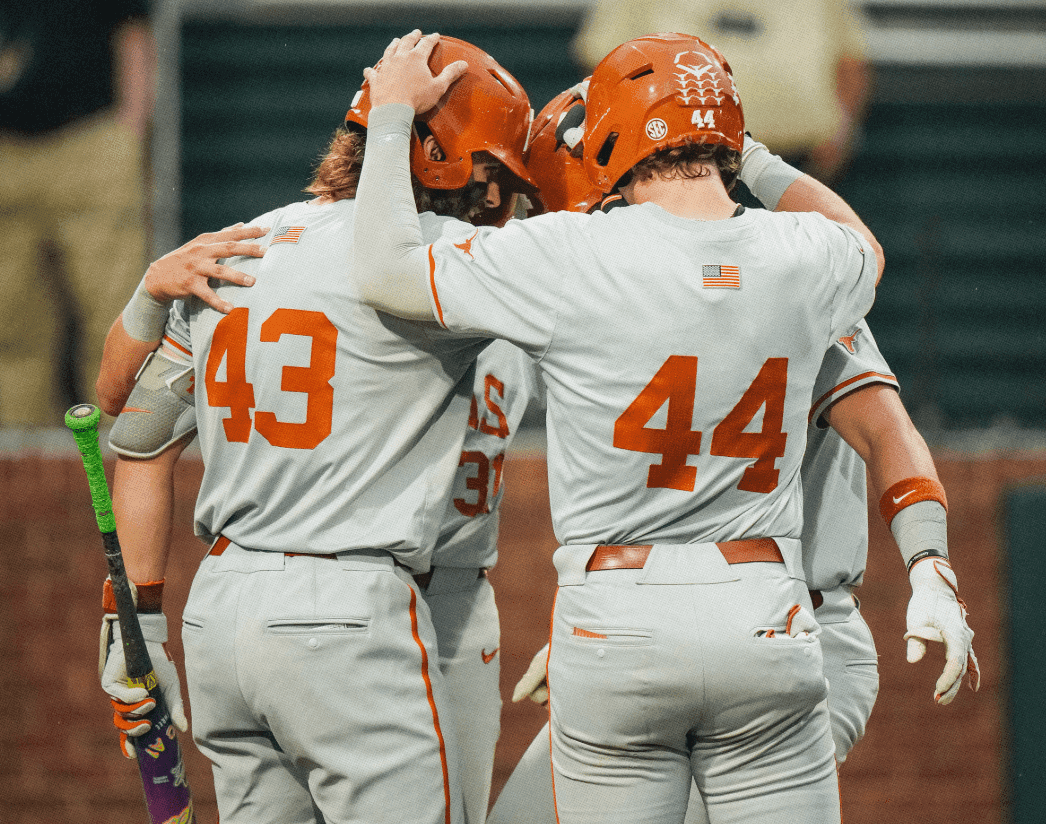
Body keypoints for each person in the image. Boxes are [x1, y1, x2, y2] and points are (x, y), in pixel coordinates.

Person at [350, 30, 974, 824]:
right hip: (765, 610)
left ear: (606, 148)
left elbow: (387, 269)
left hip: (638, 606)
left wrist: (396, 114)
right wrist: (749, 155)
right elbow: (863, 248)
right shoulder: (801, 257)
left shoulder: (571, 251)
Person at [94, 36, 538, 824]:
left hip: (222, 611)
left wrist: (134, 619)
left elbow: (136, 434)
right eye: (493, 175)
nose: (498, 201)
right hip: (348, 605)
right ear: (439, 157)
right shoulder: (443, 259)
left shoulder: (238, 244)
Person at [0, 0, 155, 425]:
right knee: (8, 328)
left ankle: (123, 465)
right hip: (6, 148)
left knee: (116, 320)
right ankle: (21, 471)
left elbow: (133, 31)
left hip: (92, 138)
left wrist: (130, 137)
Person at [572, 0, 872, 185]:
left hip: (796, 161)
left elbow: (850, 60)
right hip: (671, 162)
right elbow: (605, 61)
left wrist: (841, 130)